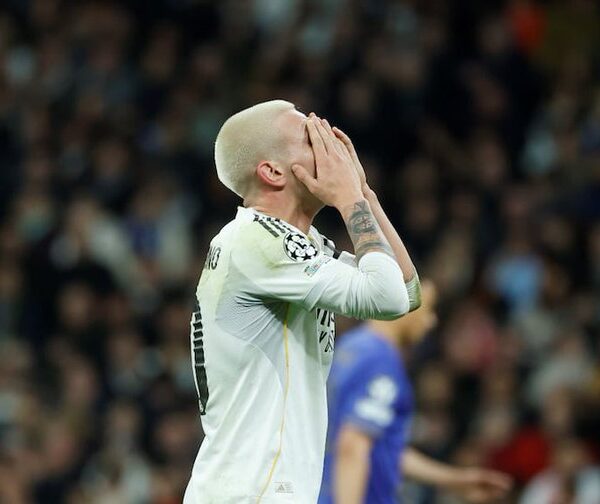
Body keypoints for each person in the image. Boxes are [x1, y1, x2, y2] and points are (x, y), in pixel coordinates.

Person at [183, 100, 422, 503]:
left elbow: (405, 289)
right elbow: (388, 298)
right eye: (311, 139)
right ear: (273, 171)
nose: (330, 149)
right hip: (253, 493)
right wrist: (348, 199)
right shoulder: (255, 241)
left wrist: (363, 194)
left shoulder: (295, 245)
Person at [319, 282, 513, 504]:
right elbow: (353, 446)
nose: (431, 321)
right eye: (427, 308)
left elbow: (383, 445)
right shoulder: (380, 360)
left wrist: (455, 480)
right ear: (400, 300)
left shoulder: (352, 344)